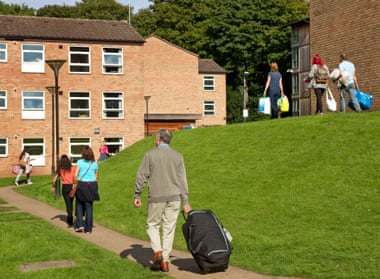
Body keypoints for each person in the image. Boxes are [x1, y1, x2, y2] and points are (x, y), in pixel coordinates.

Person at [133, 128, 192, 273]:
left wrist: (137, 194)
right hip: (174, 198)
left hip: (156, 198)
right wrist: (185, 201)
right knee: (169, 229)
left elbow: (141, 176)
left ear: (158, 139)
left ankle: (158, 252)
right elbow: (182, 180)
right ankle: (165, 261)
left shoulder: (150, 155)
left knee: (152, 225)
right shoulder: (178, 156)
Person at [74, 145, 99, 234]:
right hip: (92, 185)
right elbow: (96, 176)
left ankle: (80, 225)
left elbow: (75, 175)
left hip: (82, 184)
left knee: (79, 205)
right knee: (89, 206)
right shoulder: (94, 163)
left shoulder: (80, 162)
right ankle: (88, 229)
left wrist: (74, 185)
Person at [52, 155, 76, 226]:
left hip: (65, 187)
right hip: (72, 186)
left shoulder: (61, 169)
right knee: (71, 202)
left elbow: (54, 179)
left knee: (67, 203)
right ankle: (70, 216)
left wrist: (53, 186)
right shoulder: (73, 168)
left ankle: (70, 217)